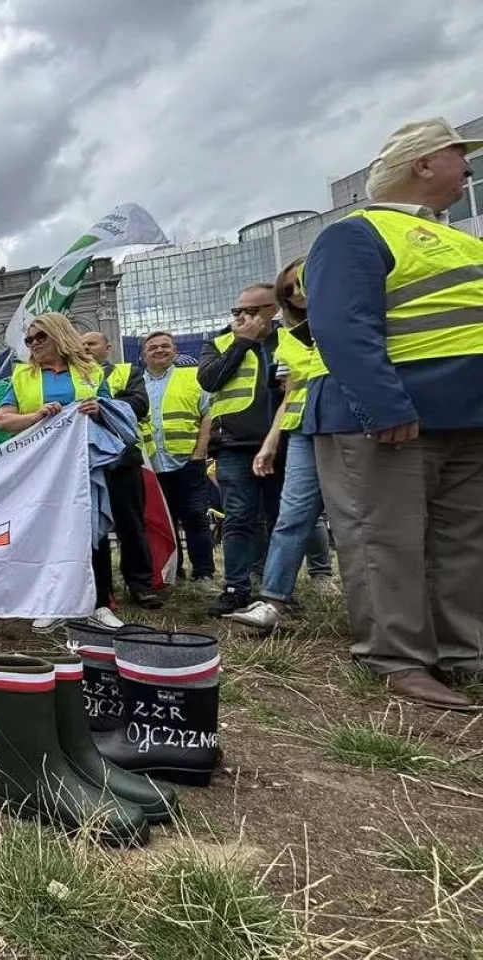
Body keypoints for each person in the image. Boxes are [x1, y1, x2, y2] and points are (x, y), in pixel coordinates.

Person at [301, 117, 483, 711]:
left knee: (464, 541)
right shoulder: (355, 234)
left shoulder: (463, 240)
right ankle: (398, 659)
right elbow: (342, 327)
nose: (469, 168)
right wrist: (382, 405)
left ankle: (464, 652)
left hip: (466, 416)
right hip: (392, 418)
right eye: (458, 155)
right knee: (386, 541)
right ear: (422, 163)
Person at [0, 312, 122, 633]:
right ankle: (52, 602)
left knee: (91, 529)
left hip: (84, 464)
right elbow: (3, 420)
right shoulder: (22, 376)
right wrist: (36, 416)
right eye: (29, 339)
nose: (34, 344)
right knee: (46, 531)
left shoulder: (91, 372)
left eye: (41, 337)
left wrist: (99, 409)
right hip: (40, 469)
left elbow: (112, 412)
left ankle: (100, 604)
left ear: (59, 335)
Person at [227, 260, 333, 631]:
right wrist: (271, 442)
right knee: (291, 515)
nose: (297, 293)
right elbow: (290, 394)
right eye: (288, 289)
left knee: (355, 518)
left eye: (303, 282)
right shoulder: (290, 338)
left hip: (350, 425)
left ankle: (366, 599)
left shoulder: (350, 318)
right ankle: (274, 602)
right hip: (302, 429)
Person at [197, 283, 285, 616]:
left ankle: (278, 590)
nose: (242, 317)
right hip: (235, 446)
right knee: (238, 517)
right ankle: (236, 588)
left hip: (285, 442)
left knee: (281, 518)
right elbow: (209, 380)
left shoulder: (291, 339)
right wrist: (242, 343)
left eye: (251, 311)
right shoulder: (219, 342)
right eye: (237, 311)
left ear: (273, 310)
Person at [81, 330, 161, 608]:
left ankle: (140, 585)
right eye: (81, 345)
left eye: (91, 343)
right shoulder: (73, 376)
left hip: (122, 460)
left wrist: (102, 405)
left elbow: (139, 404)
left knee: (131, 525)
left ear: (108, 346)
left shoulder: (126, 372)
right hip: (89, 462)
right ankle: (103, 591)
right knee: (95, 528)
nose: (86, 348)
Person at [138, 331, 215, 586]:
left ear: (175, 351)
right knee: (164, 521)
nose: (159, 350)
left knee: (196, 518)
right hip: (152, 466)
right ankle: (174, 573)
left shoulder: (193, 376)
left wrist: (200, 453)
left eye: (165, 346)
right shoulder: (137, 384)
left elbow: (208, 413)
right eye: (153, 347)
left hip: (187, 461)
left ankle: (203, 573)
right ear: (144, 355)